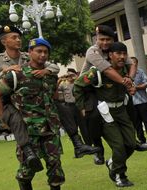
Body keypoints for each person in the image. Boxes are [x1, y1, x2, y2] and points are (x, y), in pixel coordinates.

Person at [0, 38, 65, 190]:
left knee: (56, 167)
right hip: (28, 131)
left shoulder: (51, 76)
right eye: (39, 51)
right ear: (30, 52)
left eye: (45, 52)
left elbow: (54, 97)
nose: (42, 55)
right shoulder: (16, 74)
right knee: (27, 169)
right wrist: (5, 119)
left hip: (51, 129)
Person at [74, 42, 136, 187]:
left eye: (124, 54)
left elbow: (133, 69)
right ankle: (121, 176)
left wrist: (131, 86)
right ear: (110, 55)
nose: (121, 57)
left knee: (131, 144)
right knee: (119, 147)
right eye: (118, 54)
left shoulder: (126, 69)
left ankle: (112, 163)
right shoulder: (97, 72)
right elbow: (77, 85)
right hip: (106, 114)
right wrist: (82, 107)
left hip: (122, 111)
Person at [81, 25, 140, 165]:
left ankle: (133, 140)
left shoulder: (115, 50)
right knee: (94, 116)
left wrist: (130, 80)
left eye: (108, 39)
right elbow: (107, 70)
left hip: (112, 86)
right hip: (90, 88)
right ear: (97, 38)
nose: (105, 42)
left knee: (130, 106)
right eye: (102, 39)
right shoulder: (92, 51)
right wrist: (127, 84)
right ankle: (98, 148)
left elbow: (131, 64)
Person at [56, 70, 100, 158]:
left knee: (84, 127)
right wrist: (61, 78)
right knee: (72, 128)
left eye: (71, 75)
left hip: (78, 106)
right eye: (68, 75)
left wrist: (76, 77)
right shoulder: (63, 84)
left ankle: (88, 146)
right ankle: (78, 150)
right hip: (68, 107)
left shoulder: (77, 83)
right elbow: (56, 89)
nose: (70, 77)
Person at [130, 57, 147, 144]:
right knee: (136, 123)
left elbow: (146, 83)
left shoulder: (140, 72)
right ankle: (141, 140)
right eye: (131, 63)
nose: (132, 64)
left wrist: (136, 87)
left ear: (137, 64)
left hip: (142, 101)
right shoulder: (126, 74)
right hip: (132, 103)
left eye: (134, 63)